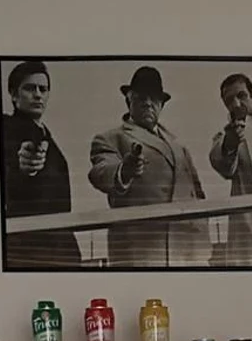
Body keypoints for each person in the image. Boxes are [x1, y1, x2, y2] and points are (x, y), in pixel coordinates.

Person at [87, 65, 209, 269]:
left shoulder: (178, 145)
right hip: (142, 250)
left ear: (161, 105)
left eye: (154, 98)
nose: (148, 103)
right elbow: (100, 172)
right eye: (141, 97)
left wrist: (203, 235)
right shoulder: (111, 138)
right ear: (129, 100)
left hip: (188, 250)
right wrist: (124, 170)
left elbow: (198, 192)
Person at [0, 59, 78, 269]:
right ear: (13, 94)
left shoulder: (45, 134)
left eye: (43, 89)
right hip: (29, 249)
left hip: (60, 249)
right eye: (29, 88)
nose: (38, 94)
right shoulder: (5, 129)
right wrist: (24, 168)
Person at [208, 72, 252, 268]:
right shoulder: (224, 135)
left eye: (241, 96)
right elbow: (223, 166)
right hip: (249, 232)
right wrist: (230, 144)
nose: (236, 104)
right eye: (229, 100)